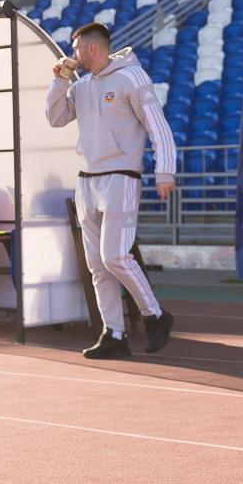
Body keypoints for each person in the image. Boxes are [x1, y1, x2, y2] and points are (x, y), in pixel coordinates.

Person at [46, 22, 177, 358]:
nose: (72, 54)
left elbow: (158, 126)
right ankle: (114, 333)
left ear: (91, 48)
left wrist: (164, 170)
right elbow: (55, 118)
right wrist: (60, 81)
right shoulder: (81, 85)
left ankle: (155, 315)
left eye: (75, 48)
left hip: (121, 177)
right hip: (86, 180)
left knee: (115, 256)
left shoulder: (132, 77)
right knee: (96, 264)